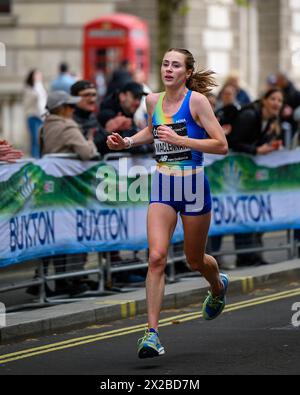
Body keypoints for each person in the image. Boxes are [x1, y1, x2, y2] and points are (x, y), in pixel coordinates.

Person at [107, 48, 229, 359]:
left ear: (187, 72)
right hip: (162, 183)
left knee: (195, 260)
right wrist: (129, 141)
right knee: (157, 257)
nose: (168, 69)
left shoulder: (197, 102)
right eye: (165, 63)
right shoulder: (152, 100)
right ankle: (151, 334)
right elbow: (152, 130)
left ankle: (217, 286)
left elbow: (221, 145)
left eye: (176, 65)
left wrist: (183, 141)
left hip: (193, 184)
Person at [228, 88, 284, 267]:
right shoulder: (250, 116)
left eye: (280, 101)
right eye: (273, 99)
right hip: (234, 170)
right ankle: (244, 257)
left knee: (255, 211)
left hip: (250, 172)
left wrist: (270, 148)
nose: (277, 103)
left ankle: (253, 255)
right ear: (265, 100)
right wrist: (256, 150)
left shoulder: (270, 121)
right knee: (241, 212)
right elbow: (233, 142)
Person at [99, 81, 153, 155]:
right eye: (135, 97)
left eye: (140, 98)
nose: (138, 102)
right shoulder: (107, 114)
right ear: (122, 96)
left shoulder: (128, 114)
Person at [71, 80, 111, 156]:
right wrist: (108, 131)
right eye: (86, 95)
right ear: (74, 98)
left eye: (94, 95)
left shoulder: (92, 117)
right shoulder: (69, 121)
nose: (92, 99)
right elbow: (83, 149)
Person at [23, 69, 47, 158]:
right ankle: (34, 158)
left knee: (41, 139)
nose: (39, 76)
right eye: (37, 75)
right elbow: (27, 103)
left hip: (42, 116)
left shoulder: (41, 87)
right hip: (33, 116)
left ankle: (40, 157)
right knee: (34, 139)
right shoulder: (29, 88)